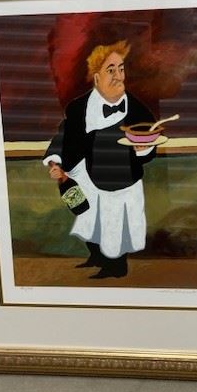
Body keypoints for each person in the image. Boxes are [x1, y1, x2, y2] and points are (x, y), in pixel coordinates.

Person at [43, 40, 156, 279]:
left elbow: (149, 143)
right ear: (96, 78)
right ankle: (96, 255)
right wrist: (55, 161)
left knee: (115, 223)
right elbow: (64, 134)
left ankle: (116, 266)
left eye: (121, 69)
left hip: (118, 178)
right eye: (111, 70)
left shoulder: (137, 110)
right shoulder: (78, 107)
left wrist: (143, 149)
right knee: (87, 217)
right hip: (81, 173)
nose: (118, 76)